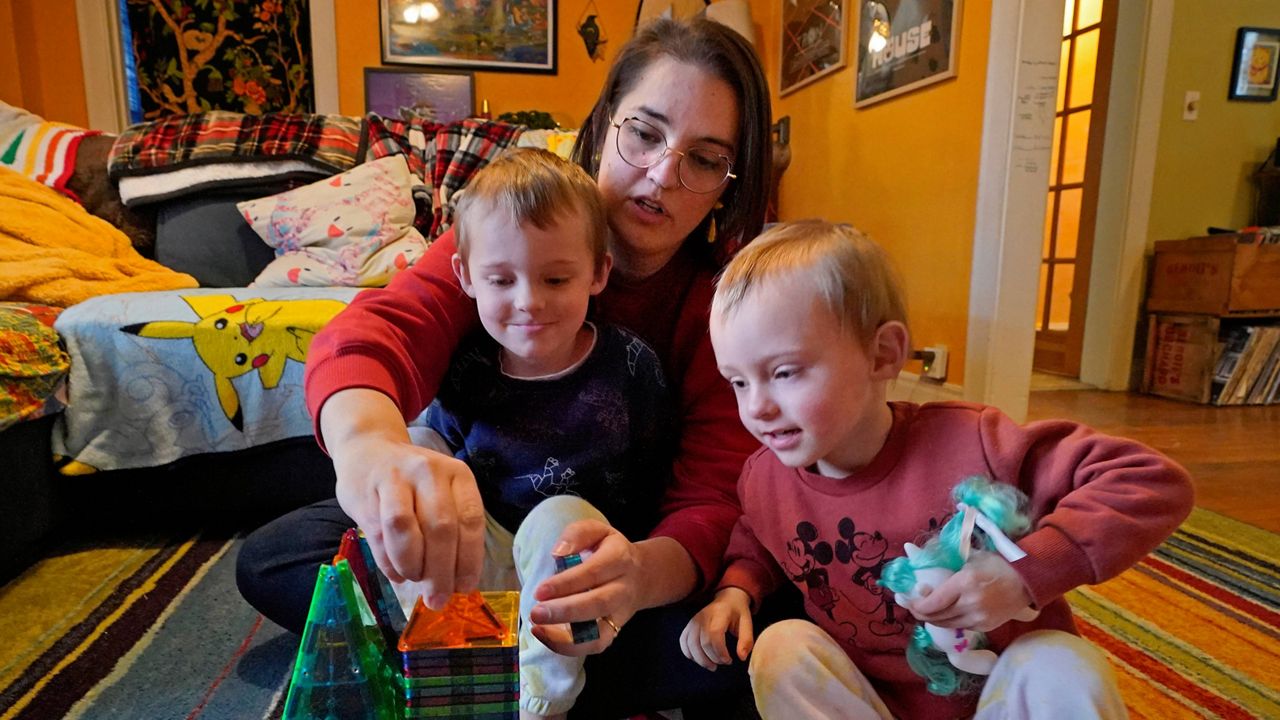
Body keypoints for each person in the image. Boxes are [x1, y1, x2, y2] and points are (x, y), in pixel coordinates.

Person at [236, 16, 776, 717]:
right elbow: (380, 333)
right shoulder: (505, 231)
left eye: (703, 159)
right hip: (481, 536)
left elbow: (710, 502)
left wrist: (635, 576)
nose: (660, 176)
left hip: (605, 554)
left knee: (736, 639)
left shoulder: (722, 308)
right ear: (606, 122)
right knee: (275, 559)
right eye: (644, 133)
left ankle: (483, 663)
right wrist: (372, 453)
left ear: (730, 182)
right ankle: (526, 664)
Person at [679, 220, 1195, 719]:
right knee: (782, 647)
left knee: (1063, 665)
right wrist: (737, 589)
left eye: (784, 372)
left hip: (1000, 695)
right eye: (738, 383)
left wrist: (1021, 574)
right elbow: (760, 532)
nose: (757, 408)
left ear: (883, 354)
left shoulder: (975, 443)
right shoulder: (764, 478)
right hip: (873, 702)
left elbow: (1148, 481)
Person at [393, 147, 672, 719]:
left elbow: (656, 477)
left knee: (558, 518)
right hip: (482, 558)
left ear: (597, 272)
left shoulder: (632, 366)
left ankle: (541, 703)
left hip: (580, 577)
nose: (528, 302)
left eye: (555, 278)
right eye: (501, 279)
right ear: (467, 278)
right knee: (412, 453)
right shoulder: (467, 367)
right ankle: (446, 659)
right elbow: (436, 455)